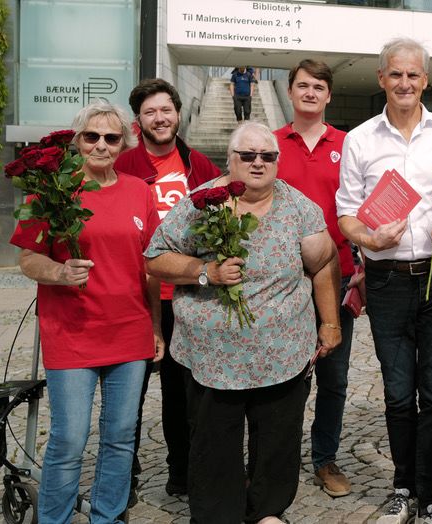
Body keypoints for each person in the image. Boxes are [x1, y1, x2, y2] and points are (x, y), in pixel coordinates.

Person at [144, 122, 342, 524]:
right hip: (214, 358)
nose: (258, 163)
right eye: (247, 155)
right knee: (214, 442)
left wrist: (331, 324)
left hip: (282, 353)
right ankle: (220, 515)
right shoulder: (202, 204)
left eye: (267, 156)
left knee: (277, 440)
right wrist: (205, 271)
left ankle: (267, 511)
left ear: (277, 162)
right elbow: (155, 258)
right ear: (229, 160)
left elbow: (323, 262)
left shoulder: (298, 207)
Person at [335, 37, 432, 524]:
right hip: (387, 277)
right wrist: (368, 240)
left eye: (413, 75)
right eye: (395, 74)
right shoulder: (359, 139)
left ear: (425, 81)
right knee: (398, 392)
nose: (404, 83)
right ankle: (401, 487)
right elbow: (347, 215)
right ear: (382, 79)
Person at [11, 102, 162, 524]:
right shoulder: (53, 191)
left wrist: (155, 327)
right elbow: (27, 260)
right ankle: (55, 519)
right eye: (91, 136)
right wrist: (59, 271)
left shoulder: (140, 191)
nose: (101, 144)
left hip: (130, 334)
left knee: (119, 438)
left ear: (124, 143)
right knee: (70, 438)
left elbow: (150, 267)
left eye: (111, 138)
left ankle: (107, 516)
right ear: (77, 140)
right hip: (72, 332)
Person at [115, 77, 221, 500]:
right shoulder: (124, 166)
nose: (160, 118)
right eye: (150, 112)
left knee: (183, 394)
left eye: (166, 109)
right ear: (138, 121)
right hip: (137, 299)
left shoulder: (199, 164)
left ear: (178, 113)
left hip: (185, 297)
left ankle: (182, 473)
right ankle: (125, 475)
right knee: (129, 394)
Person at [273, 58, 358, 498]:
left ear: (327, 95)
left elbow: (362, 211)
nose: (310, 93)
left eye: (318, 87)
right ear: (290, 92)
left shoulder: (349, 144)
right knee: (280, 379)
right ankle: (274, 461)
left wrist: (361, 266)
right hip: (279, 283)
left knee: (334, 378)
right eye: (302, 85)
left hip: (338, 278)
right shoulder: (268, 146)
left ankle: (325, 459)